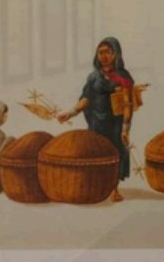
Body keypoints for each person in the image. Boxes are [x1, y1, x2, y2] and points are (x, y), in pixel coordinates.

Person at [58, 36, 135, 202]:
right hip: (96, 122)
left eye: (108, 52)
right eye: (101, 52)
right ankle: (97, 187)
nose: (104, 56)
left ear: (116, 54)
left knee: (115, 153)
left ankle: (114, 188)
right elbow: (86, 99)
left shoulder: (123, 76)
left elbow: (128, 104)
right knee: (95, 152)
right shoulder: (93, 77)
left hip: (115, 123)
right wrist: (70, 113)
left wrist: (125, 129)